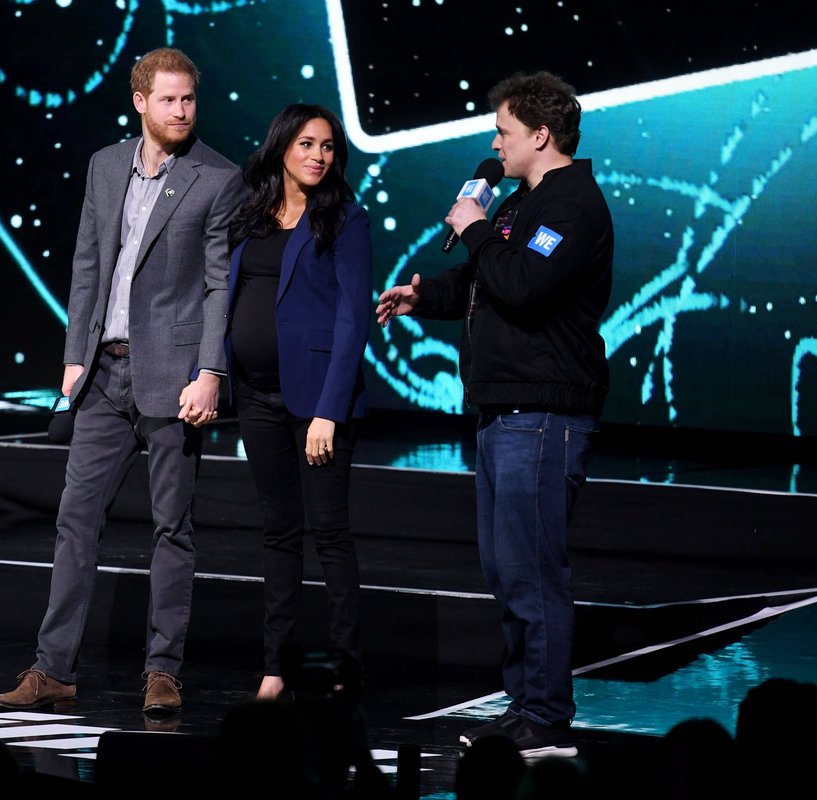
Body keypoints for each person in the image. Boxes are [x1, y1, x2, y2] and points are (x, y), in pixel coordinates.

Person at [0, 47, 244, 716]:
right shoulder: (106, 166)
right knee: (75, 520)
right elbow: (87, 263)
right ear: (140, 101)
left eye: (189, 99)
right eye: (169, 99)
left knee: (171, 527)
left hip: (175, 376)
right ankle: (54, 668)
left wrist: (211, 372)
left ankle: (163, 671)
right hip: (104, 373)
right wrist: (76, 353)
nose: (182, 111)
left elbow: (221, 285)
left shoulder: (217, 178)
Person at [376, 71, 613, 759]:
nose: (494, 143)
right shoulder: (520, 201)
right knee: (508, 570)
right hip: (503, 412)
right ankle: (525, 706)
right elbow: (487, 279)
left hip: (541, 415)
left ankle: (545, 717)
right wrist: (427, 295)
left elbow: (523, 284)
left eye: (504, 132)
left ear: (540, 135)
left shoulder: (573, 207)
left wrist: (477, 227)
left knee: (533, 570)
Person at [224, 104, 372, 700]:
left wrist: (328, 412)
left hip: (316, 404)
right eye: (307, 144)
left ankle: (343, 670)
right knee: (278, 534)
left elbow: (354, 316)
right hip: (256, 398)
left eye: (329, 147)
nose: (318, 155)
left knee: (329, 535)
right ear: (282, 146)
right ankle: (276, 667)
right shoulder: (251, 214)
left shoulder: (345, 219)